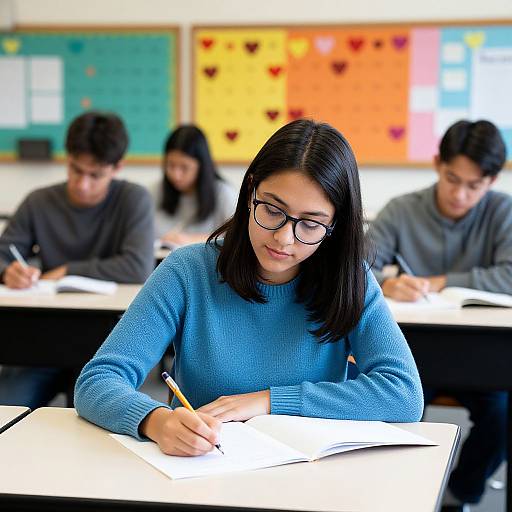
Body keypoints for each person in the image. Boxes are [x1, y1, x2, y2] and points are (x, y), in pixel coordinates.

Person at [75, 119, 423, 457]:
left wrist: (268, 401)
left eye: (311, 224)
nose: (284, 238)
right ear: (250, 191)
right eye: (272, 210)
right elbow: (97, 381)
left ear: (335, 224)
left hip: (308, 475)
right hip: (205, 468)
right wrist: (155, 421)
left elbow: (404, 393)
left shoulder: (351, 279)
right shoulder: (188, 270)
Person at [366, 119, 511, 511]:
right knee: (392, 409)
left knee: (503, 415)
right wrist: (386, 283)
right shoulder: (401, 209)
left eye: (474, 185)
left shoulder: (503, 212)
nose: (460, 194)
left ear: (492, 180)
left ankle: (459, 496)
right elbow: (356, 265)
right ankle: (396, 495)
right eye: (452, 178)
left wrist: (438, 281)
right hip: (416, 355)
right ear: (436, 163)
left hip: (483, 358)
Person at [0, 111, 155, 409]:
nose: (82, 183)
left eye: (95, 174)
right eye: (75, 169)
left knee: (88, 415)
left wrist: (67, 270)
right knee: (7, 406)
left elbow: (137, 266)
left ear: (117, 167)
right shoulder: (39, 201)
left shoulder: (133, 199)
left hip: (103, 344)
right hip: (40, 340)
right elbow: (3, 253)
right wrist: (9, 272)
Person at [152, 125, 237, 247]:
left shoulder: (224, 194)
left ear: (201, 166)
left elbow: (238, 236)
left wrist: (189, 240)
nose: (176, 175)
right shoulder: (155, 191)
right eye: (170, 165)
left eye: (184, 167)